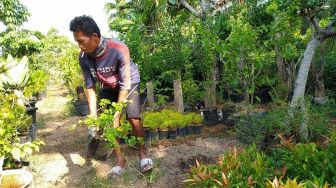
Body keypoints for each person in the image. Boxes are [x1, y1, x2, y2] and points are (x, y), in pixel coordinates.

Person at [69, 15, 153, 175]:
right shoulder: (83, 58)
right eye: (77, 42)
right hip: (107, 86)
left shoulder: (118, 48)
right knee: (108, 123)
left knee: (133, 118)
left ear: (94, 36)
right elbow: (90, 87)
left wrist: (118, 113)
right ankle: (120, 160)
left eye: (82, 41)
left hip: (129, 82)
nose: (80, 46)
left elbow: (125, 84)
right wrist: (93, 116)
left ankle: (143, 154)